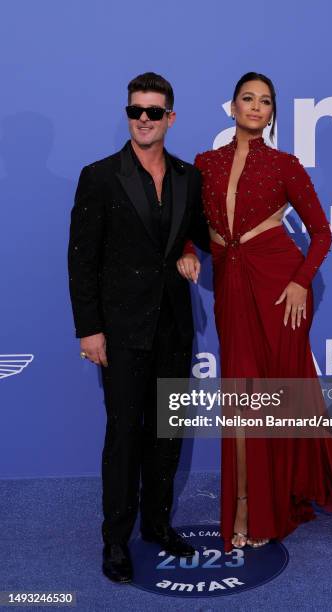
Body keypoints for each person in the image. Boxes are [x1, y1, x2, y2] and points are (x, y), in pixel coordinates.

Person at [178, 72, 332, 555]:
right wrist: (187, 248)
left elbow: (321, 233)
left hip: (280, 292)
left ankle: (262, 507)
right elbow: (188, 223)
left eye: (265, 102)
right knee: (240, 398)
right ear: (233, 107)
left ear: (272, 113)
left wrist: (301, 282)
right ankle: (243, 504)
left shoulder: (285, 165)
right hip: (232, 289)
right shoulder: (205, 164)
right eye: (248, 99)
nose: (257, 107)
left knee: (271, 400)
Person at [68, 72, 209, 583]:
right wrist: (90, 330)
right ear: (127, 114)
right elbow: (82, 260)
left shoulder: (188, 177)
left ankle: (157, 526)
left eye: (153, 111)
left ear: (170, 117)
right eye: (135, 111)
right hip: (122, 330)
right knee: (124, 436)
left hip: (173, 327)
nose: (143, 120)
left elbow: (197, 234)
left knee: (166, 434)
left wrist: (191, 251)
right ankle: (115, 541)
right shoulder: (100, 176)